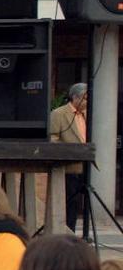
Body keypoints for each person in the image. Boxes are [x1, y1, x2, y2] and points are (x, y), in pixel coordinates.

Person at [50, 82, 89, 232]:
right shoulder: (59, 114)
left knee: (82, 203)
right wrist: (68, 150)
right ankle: (67, 232)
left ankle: (83, 232)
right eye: (85, 99)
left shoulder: (87, 115)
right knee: (69, 203)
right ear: (75, 98)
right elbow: (52, 138)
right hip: (68, 167)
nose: (87, 103)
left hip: (85, 166)